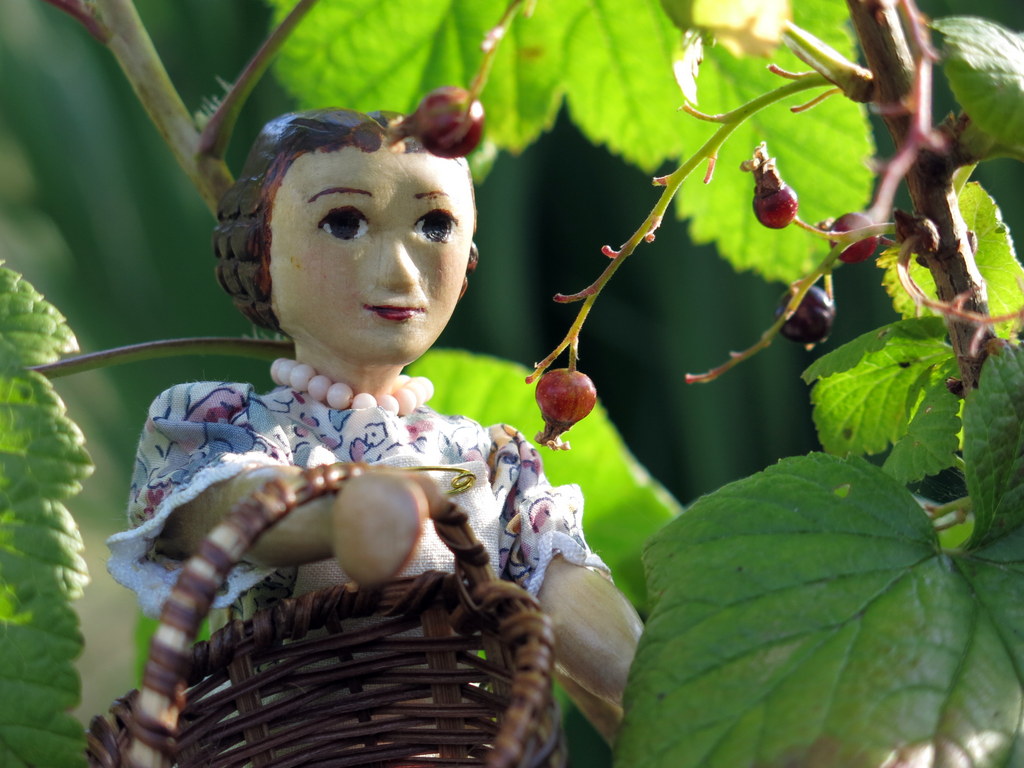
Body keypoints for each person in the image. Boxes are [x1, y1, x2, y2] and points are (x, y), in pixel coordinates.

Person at [107, 108, 641, 741]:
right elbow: (225, 507)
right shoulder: (239, 427)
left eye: (435, 225)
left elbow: (557, 579)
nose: (401, 272)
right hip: (300, 743)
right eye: (344, 222)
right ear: (261, 252)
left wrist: (660, 687)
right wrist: (335, 517)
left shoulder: (486, 458)